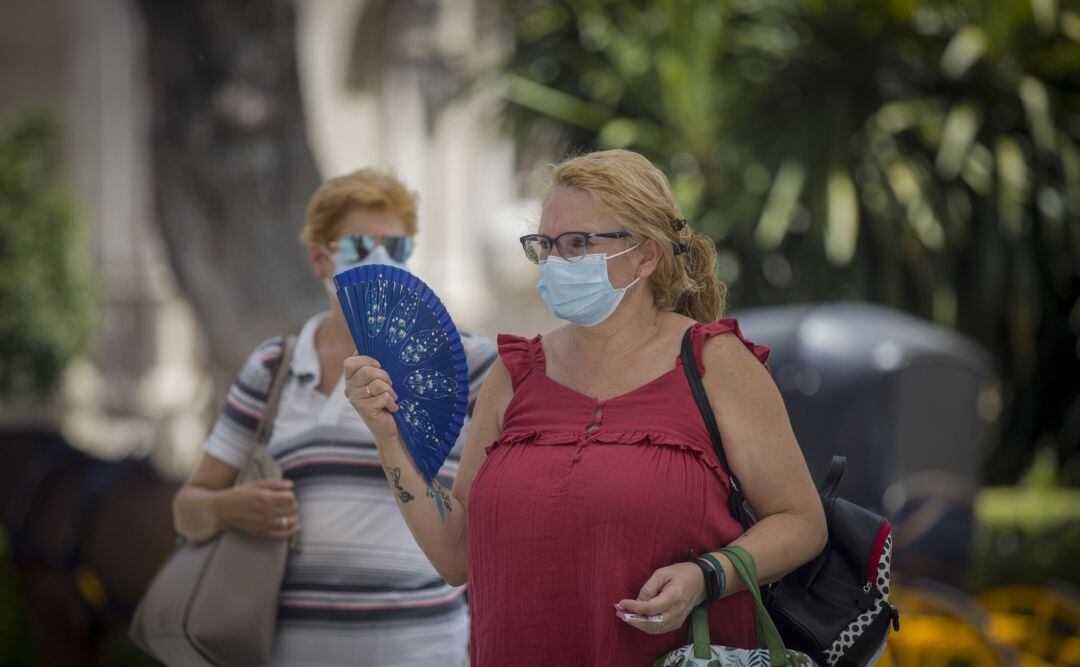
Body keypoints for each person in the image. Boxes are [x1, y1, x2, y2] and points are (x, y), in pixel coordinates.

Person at [344, 149, 829, 665]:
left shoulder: (714, 362)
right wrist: (388, 438)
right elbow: (455, 555)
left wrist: (707, 577)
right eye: (546, 245)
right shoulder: (516, 373)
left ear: (646, 255)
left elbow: (801, 522)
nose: (556, 262)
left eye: (578, 244)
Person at [172, 168, 495, 666]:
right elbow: (187, 509)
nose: (384, 261)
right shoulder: (273, 367)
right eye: (361, 247)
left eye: (399, 247)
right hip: (291, 652)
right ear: (319, 259)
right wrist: (228, 508)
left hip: (425, 650)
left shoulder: (469, 365)